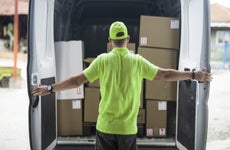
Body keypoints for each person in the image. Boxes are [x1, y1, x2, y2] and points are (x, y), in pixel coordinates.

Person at [32, 21, 212, 150]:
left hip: (105, 128)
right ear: (127, 38)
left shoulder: (102, 61)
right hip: (127, 129)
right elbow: (164, 74)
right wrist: (194, 75)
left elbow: (76, 81)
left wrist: (50, 88)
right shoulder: (137, 61)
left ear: (109, 40)